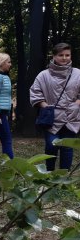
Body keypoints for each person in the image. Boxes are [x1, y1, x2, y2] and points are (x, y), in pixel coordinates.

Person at [30, 43, 80, 171]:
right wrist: (45, 106)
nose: (64, 58)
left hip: (70, 116)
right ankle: (50, 174)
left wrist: (76, 104)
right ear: (53, 56)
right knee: (51, 145)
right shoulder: (44, 75)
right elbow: (35, 92)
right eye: (61, 55)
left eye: (67, 55)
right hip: (52, 117)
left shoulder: (77, 73)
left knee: (67, 147)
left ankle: (63, 178)